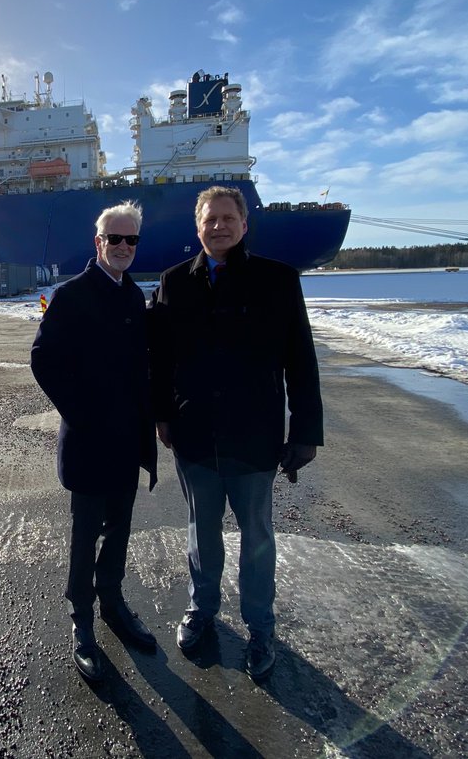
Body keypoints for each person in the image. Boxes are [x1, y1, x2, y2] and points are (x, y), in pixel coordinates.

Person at [149, 186, 322, 680]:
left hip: (255, 436)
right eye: (210, 219)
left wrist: (305, 432)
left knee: (257, 538)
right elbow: (160, 360)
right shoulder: (173, 282)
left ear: (245, 224)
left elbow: (301, 363)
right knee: (201, 535)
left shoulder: (278, 280)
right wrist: (163, 415)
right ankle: (202, 610)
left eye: (228, 218)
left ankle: (260, 627)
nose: (219, 227)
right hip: (196, 436)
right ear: (197, 227)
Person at [30, 201, 159, 684]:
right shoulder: (71, 295)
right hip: (88, 440)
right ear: (98, 242)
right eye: (115, 239)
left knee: (120, 528)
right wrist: (81, 414)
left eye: (132, 240)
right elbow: (43, 359)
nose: (124, 247)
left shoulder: (133, 296)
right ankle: (81, 619)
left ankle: (113, 603)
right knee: (86, 533)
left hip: (126, 440)